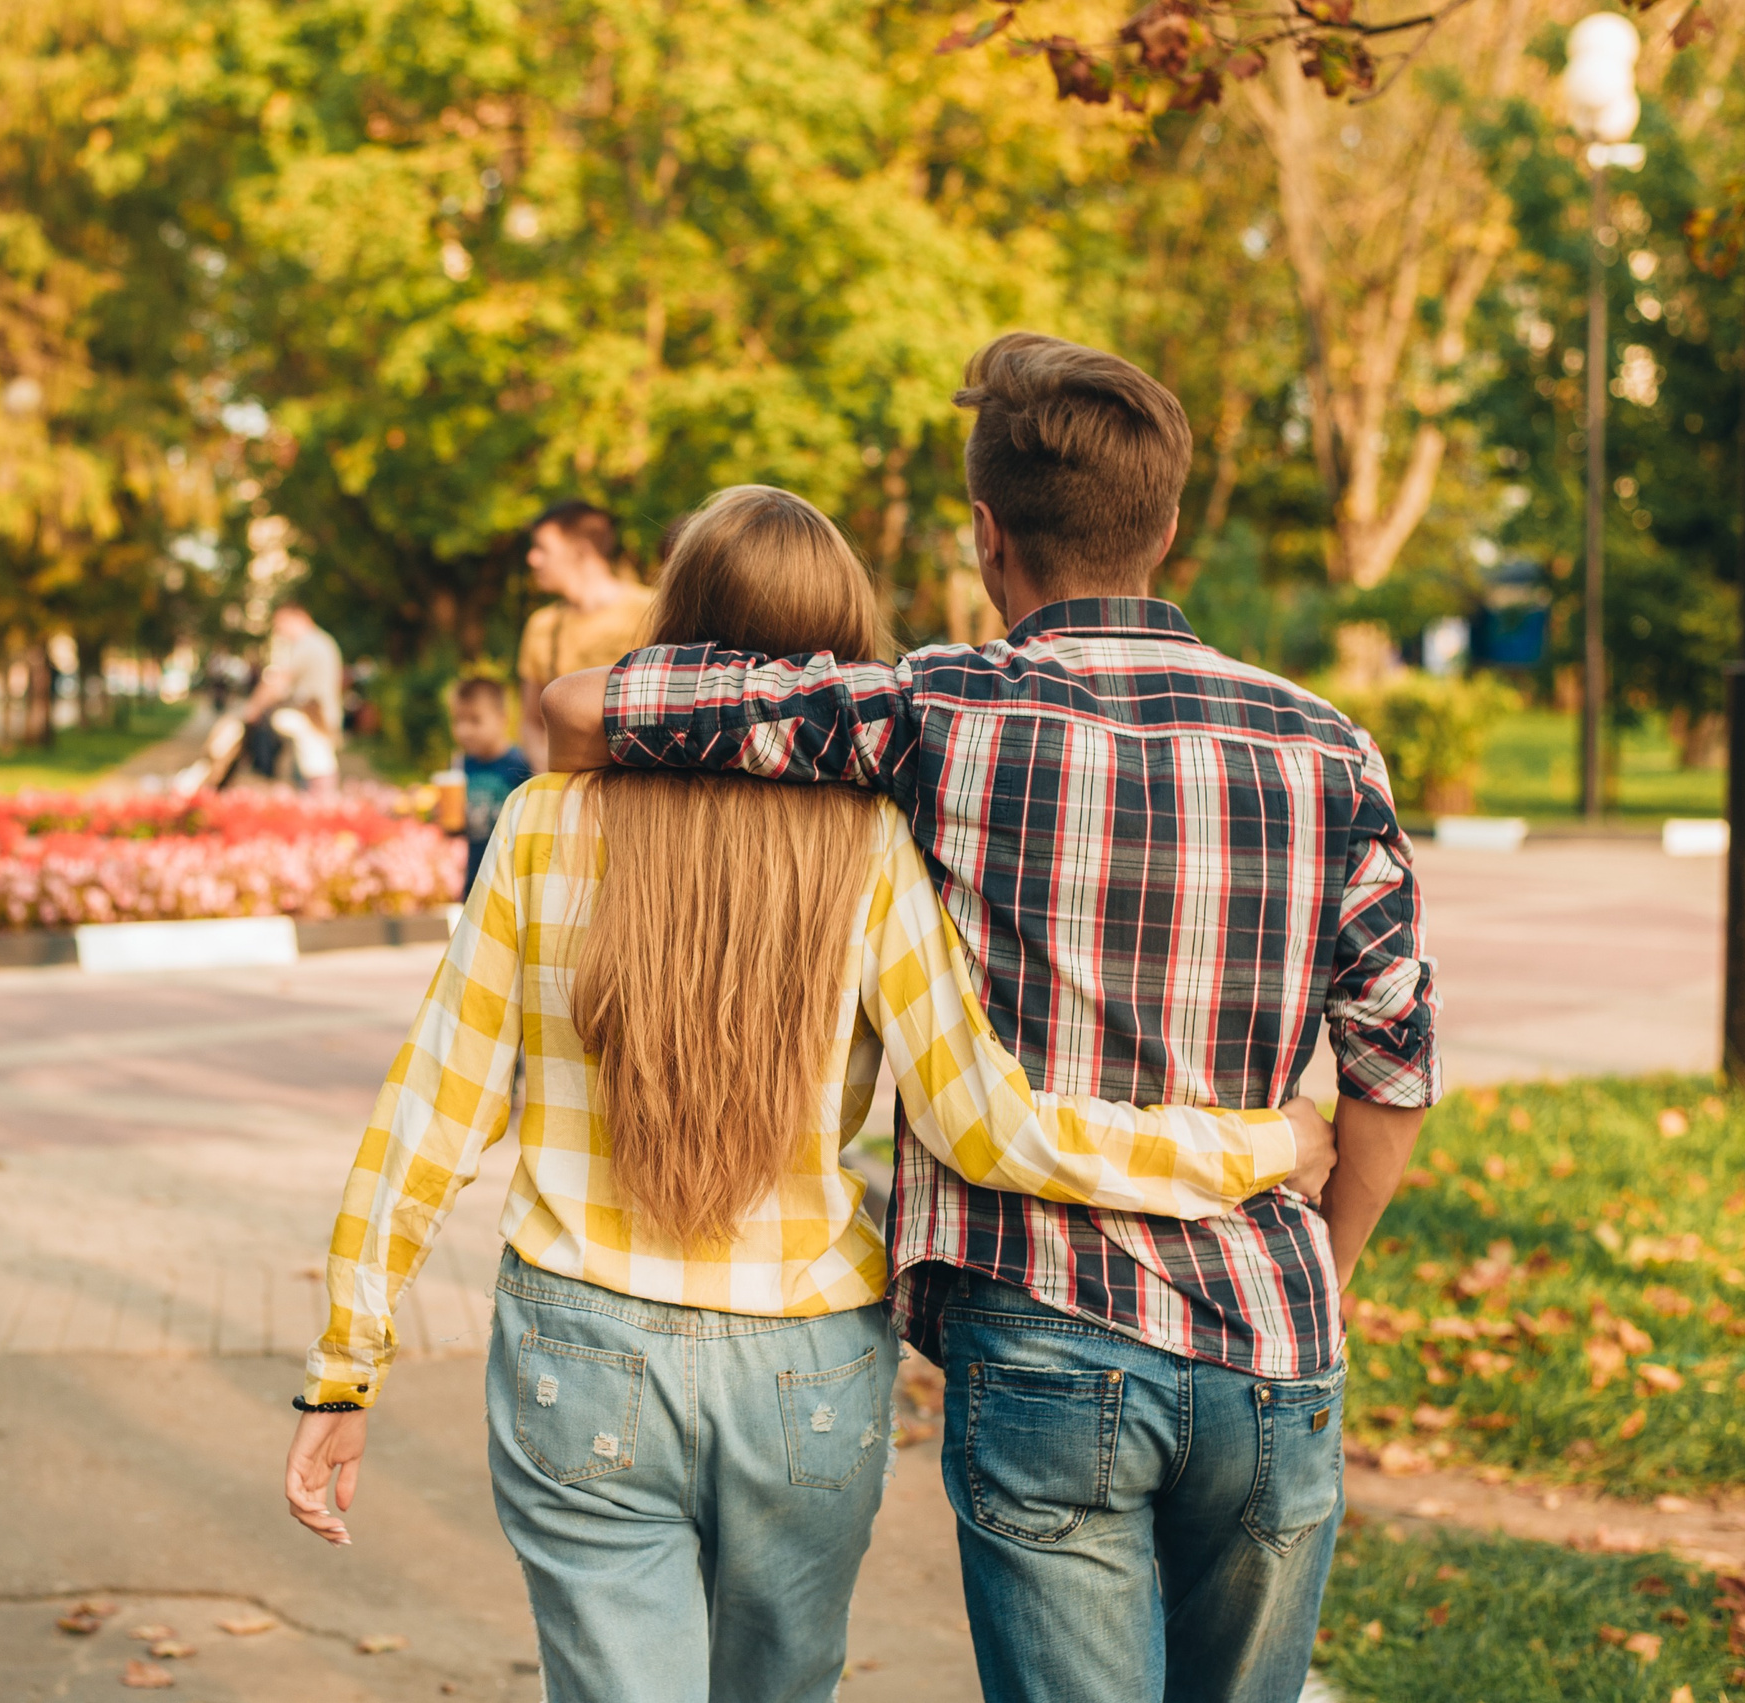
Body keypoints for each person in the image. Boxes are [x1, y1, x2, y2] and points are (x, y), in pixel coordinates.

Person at [284, 485, 1338, 1703]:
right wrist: (1259, 1143)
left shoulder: (537, 827)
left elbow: (430, 1113)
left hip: (578, 1341)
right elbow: (991, 1129)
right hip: (806, 1368)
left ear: (671, 631)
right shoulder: (872, 848)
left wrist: (345, 1365)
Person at [544, 337, 1439, 1703]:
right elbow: (1391, 1071)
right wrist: (1322, 1278)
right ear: (1169, 524)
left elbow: (582, 710)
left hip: (1046, 1339)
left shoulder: (938, 710)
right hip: (1275, 1348)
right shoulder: (1328, 747)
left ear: (983, 533)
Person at [518, 501, 657, 746]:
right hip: (563, 779)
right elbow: (531, 724)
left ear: (581, 550)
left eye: (542, 548)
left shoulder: (651, 610)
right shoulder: (542, 625)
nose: (532, 558)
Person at [180, 603, 344, 793]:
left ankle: (320, 808)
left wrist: (253, 708)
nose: (280, 631)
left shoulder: (308, 643)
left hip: (314, 717)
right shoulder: (323, 641)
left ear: (298, 616)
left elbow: (278, 682)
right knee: (315, 766)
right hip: (319, 715)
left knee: (316, 767)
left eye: (281, 625)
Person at [445, 677, 531, 902]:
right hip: (476, 878)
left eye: (475, 720)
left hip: (512, 881)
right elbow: (461, 826)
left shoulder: (521, 765)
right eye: (458, 720)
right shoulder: (461, 765)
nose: (464, 730)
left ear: (503, 719)